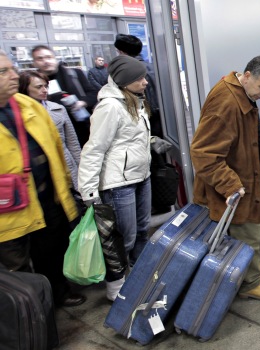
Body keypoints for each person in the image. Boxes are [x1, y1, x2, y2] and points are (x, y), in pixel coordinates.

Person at [190, 55, 260, 301]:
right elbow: (203, 153)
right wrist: (230, 184)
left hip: (244, 173)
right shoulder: (226, 102)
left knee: (249, 228)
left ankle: (249, 264)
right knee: (246, 230)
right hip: (235, 183)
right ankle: (249, 282)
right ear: (247, 75)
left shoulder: (242, 91)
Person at [78, 55, 170, 301]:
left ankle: (139, 274)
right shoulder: (110, 106)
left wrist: (150, 141)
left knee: (142, 231)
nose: (145, 82)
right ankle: (116, 286)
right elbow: (94, 148)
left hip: (141, 176)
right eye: (139, 78)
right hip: (119, 183)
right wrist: (88, 191)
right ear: (124, 82)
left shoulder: (135, 101)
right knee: (123, 238)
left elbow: (125, 138)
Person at [0, 51, 85, 307]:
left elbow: (59, 151)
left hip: (48, 198)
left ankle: (57, 295)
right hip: (8, 213)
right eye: (3, 71)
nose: (14, 75)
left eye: (12, 68)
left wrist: (69, 188)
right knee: (17, 269)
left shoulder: (30, 107)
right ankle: (28, 316)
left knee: (52, 252)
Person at [18, 71, 82, 190]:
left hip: (66, 164)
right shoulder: (17, 114)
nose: (44, 90)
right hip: (38, 170)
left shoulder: (58, 109)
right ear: (24, 88)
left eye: (45, 86)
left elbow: (72, 142)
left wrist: (82, 169)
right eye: (38, 87)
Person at [31, 45, 98, 147]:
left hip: (82, 128)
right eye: (40, 58)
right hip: (54, 131)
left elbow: (93, 93)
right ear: (34, 62)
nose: (46, 61)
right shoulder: (32, 82)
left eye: (49, 57)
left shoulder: (74, 73)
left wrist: (83, 102)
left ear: (55, 58)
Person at [114, 34, 162, 138]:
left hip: (143, 116)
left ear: (122, 52)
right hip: (160, 114)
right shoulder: (151, 66)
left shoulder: (127, 71)